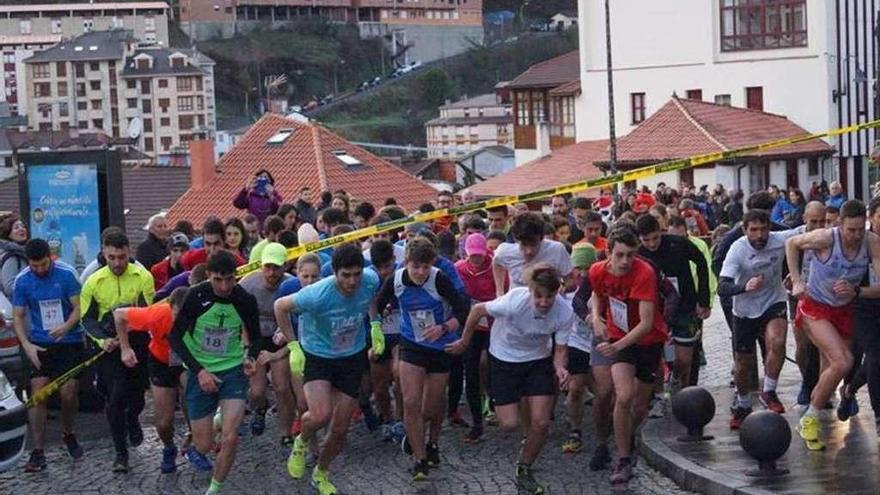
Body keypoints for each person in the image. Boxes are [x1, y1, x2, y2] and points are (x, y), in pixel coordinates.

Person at [448, 264, 574, 495]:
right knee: (509, 424)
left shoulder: (564, 312)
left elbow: (561, 350)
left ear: (557, 293)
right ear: (530, 290)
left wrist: (560, 368)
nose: (544, 303)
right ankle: (521, 411)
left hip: (538, 361)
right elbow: (477, 311)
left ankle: (524, 468)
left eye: (550, 297)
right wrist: (465, 342)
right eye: (539, 296)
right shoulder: (515, 301)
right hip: (504, 359)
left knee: (541, 423)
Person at [276, 244, 384, 495]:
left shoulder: (370, 279)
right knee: (320, 414)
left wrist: (375, 323)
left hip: (351, 357)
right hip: (318, 356)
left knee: (340, 429)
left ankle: (321, 473)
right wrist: (293, 346)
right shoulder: (316, 294)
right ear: (334, 273)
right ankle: (301, 441)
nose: (352, 281)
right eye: (345, 275)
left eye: (356, 274)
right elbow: (280, 307)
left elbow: (371, 298)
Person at [786, 200, 880, 450]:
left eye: (860, 229)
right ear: (840, 225)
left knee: (832, 368)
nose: (856, 235)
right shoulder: (826, 238)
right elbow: (791, 243)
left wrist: (857, 290)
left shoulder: (871, 242)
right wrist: (797, 280)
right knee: (843, 361)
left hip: (844, 309)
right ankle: (810, 417)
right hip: (815, 306)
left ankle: (811, 418)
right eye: (851, 230)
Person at [373, 238, 469, 480]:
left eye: (425, 266)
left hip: (439, 347)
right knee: (412, 401)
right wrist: (377, 327)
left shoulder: (439, 279)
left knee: (432, 406)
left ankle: (433, 442)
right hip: (411, 344)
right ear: (406, 262)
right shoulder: (395, 279)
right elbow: (375, 305)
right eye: (416, 266)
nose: (420, 272)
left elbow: (463, 310)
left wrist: (445, 328)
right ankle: (419, 459)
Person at [168, 251, 260, 494]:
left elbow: (257, 337)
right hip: (201, 370)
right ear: (208, 276)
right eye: (218, 280)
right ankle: (213, 424)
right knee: (204, 444)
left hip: (232, 370)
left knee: (231, 438)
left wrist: (250, 356)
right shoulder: (195, 296)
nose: (224, 286)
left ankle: (214, 489)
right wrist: (199, 371)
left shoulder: (244, 300)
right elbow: (174, 337)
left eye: (230, 279)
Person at [589, 225, 668, 487]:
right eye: (620, 255)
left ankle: (630, 442)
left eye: (631, 255)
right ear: (608, 252)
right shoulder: (597, 270)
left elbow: (646, 323)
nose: (625, 261)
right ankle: (623, 458)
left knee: (639, 406)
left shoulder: (644, 272)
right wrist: (597, 318)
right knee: (623, 396)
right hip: (618, 338)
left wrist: (617, 344)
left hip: (648, 339)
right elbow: (596, 293)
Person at [81, 230, 155, 473]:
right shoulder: (94, 281)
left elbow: (149, 313)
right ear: (104, 253)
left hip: (137, 344)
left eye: (121, 257)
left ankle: (133, 418)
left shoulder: (143, 276)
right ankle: (120, 453)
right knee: (114, 398)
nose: (117, 263)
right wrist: (103, 340)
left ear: (129, 252)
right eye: (111, 257)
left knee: (136, 397)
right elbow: (87, 319)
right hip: (109, 348)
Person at [12, 239, 85, 472]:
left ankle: (68, 431)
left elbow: (78, 307)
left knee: (68, 393)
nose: (40, 270)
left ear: (50, 258)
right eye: (35, 266)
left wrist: (66, 326)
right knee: (39, 392)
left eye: (43, 265)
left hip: (68, 341)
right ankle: (38, 450)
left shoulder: (66, 274)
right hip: (40, 343)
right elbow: (18, 316)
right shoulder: (22, 280)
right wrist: (26, 345)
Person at [718, 210, 795, 430]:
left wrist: (795, 272)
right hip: (745, 309)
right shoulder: (737, 249)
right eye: (754, 230)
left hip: (774, 300)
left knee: (777, 341)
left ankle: (769, 391)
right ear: (745, 230)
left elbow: (808, 232)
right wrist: (744, 287)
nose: (759, 235)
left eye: (763, 229)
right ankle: (743, 405)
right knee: (743, 363)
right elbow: (723, 287)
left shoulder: (779, 239)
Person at [114, 287, 191, 474]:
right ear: (169, 307)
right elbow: (119, 315)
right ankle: (168, 447)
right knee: (164, 422)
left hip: (189, 361)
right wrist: (125, 348)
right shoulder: (156, 314)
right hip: (161, 361)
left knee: (192, 399)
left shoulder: (203, 315)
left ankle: (195, 439)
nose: (181, 322)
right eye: (177, 316)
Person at [635, 214, 711, 390]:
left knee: (685, 360)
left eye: (655, 238)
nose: (652, 244)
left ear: (660, 231)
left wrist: (704, 299)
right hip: (654, 311)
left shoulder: (678, 243)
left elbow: (701, 263)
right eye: (646, 240)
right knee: (656, 358)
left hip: (685, 306)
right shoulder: (638, 253)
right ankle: (660, 393)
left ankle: (679, 381)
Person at [239, 243, 295, 446]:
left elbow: (296, 325)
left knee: (282, 387)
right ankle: (260, 408)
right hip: (255, 338)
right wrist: (247, 348)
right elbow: (241, 320)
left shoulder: (291, 285)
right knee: (256, 391)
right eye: (267, 267)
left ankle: (285, 434)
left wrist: (283, 349)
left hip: (281, 339)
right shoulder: (247, 284)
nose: (271, 273)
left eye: (276, 268)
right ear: (261, 266)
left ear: (286, 266)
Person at [273, 253, 324, 437]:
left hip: (324, 353)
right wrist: (283, 333)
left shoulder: (327, 291)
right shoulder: (288, 288)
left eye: (314, 276)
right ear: (297, 274)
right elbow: (281, 314)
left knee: (325, 406)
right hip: (300, 351)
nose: (310, 281)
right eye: (305, 276)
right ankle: (309, 445)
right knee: (303, 402)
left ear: (321, 276)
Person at [454, 233, 497, 443]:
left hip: (493, 323)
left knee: (488, 363)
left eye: (480, 255)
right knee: (470, 372)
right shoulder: (459, 268)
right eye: (472, 256)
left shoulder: (496, 267)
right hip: (471, 324)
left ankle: (493, 398)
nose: (476, 259)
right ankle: (477, 422)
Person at [364, 241, 404, 441]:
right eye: (378, 267)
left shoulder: (402, 275)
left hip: (400, 334)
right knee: (379, 387)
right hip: (377, 336)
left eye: (387, 267)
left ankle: (400, 420)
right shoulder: (367, 279)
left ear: (394, 261)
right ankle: (387, 419)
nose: (383, 272)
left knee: (399, 376)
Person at [562, 244, 599, 456]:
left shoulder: (600, 285)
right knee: (575, 389)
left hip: (599, 343)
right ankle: (575, 431)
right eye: (578, 267)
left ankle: (606, 424)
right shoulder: (563, 291)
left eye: (588, 267)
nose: (583, 273)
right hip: (576, 343)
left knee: (602, 391)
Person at [493, 212, 574, 297]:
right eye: (524, 244)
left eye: (534, 244)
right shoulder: (505, 251)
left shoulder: (557, 250)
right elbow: (497, 261)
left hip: (548, 304)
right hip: (517, 305)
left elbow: (571, 281)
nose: (529, 251)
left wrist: (564, 287)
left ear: (541, 238)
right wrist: (499, 291)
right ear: (516, 240)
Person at [181, 219, 247, 270]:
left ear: (224, 241)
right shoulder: (190, 259)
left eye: (216, 244)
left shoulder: (239, 264)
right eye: (208, 244)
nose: (212, 249)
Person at [0, 213, 28, 300]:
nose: (22, 229)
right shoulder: (12, 256)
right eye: (16, 227)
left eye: (23, 226)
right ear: (7, 233)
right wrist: (31, 292)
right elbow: (9, 287)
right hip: (15, 307)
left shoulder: (21, 252)